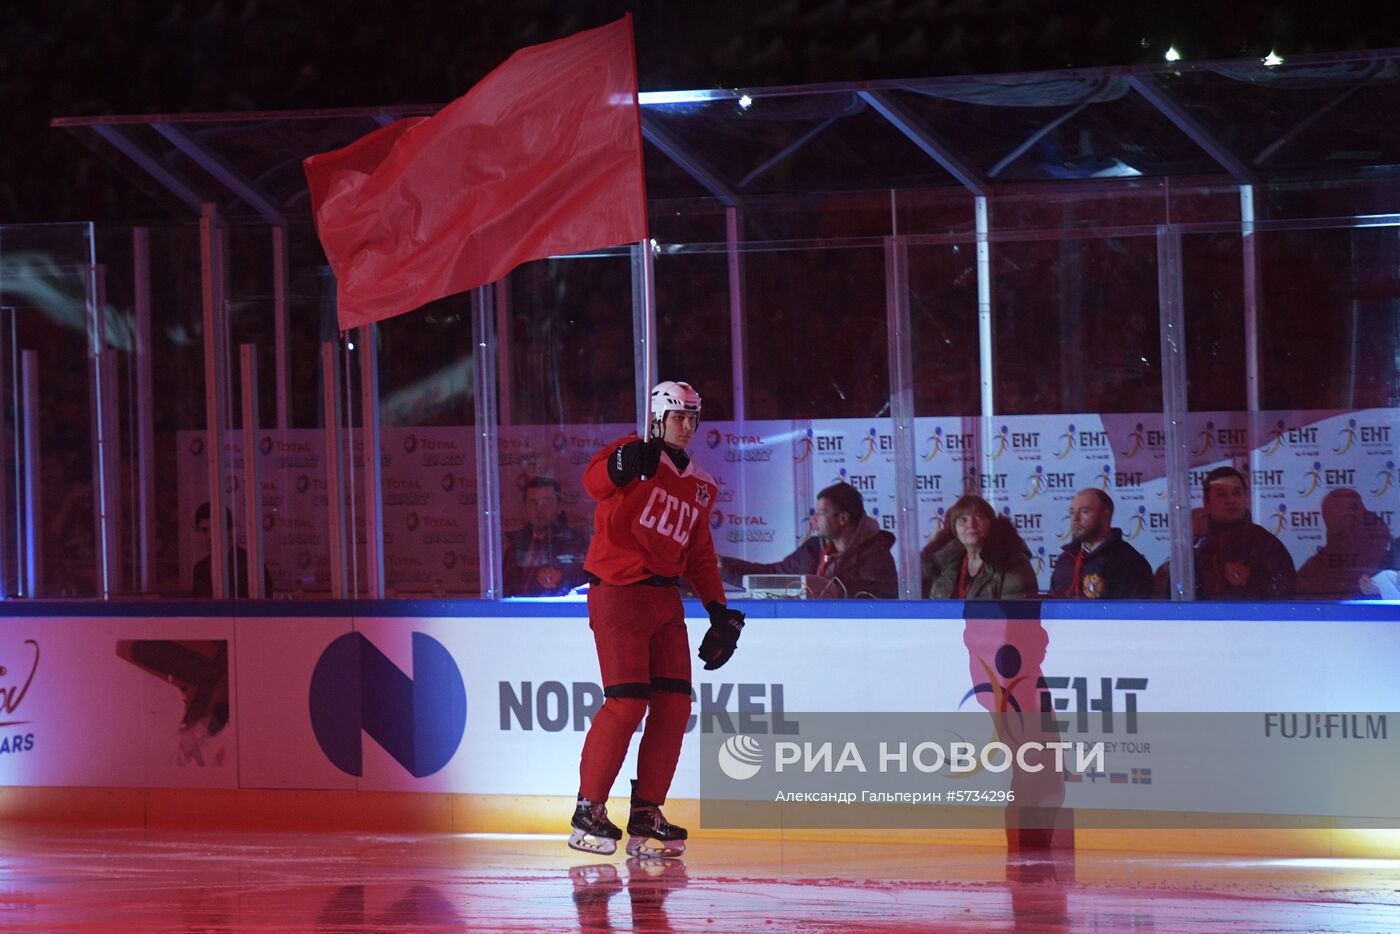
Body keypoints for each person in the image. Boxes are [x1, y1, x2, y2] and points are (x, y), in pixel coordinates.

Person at [569, 380, 745, 859]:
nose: (686, 426)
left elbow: (700, 555)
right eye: (677, 417)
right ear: (656, 419)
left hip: (665, 602)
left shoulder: (702, 485)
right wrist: (621, 465)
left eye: (693, 417)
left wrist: (718, 610)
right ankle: (589, 809)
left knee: (673, 706)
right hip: (619, 594)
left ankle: (646, 813)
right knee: (626, 704)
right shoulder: (632, 454)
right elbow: (593, 482)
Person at [718, 482, 898, 598]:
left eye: (820, 513)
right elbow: (774, 575)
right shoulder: (814, 549)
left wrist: (829, 590)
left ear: (842, 519)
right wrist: (722, 567)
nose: (813, 520)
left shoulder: (876, 556)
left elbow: (879, 600)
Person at [1193, 466, 1296, 599]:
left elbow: (1285, 595)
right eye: (1222, 494)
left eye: (1237, 493)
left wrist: (1254, 577)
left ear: (1245, 499)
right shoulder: (1198, 549)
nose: (1231, 500)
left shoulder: (1266, 545)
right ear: (1206, 503)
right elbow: (1178, 594)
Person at [926, 495, 1038, 599]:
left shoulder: (1012, 563)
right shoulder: (944, 564)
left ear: (991, 524)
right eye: (963, 519)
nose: (971, 525)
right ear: (955, 529)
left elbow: (1018, 615)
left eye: (979, 517)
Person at [1048, 489, 1153, 598]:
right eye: (1072, 512)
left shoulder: (1130, 563)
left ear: (1105, 516)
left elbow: (1136, 612)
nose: (1075, 519)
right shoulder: (1065, 559)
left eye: (1084, 512)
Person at [502, 476, 588, 596]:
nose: (539, 509)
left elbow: (584, 585)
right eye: (533, 502)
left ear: (559, 506)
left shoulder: (574, 543)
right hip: (519, 611)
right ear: (525, 507)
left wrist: (562, 579)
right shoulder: (516, 543)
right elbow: (504, 587)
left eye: (547, 502)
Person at [191, 502, 273, 598]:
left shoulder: (252, 565)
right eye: (204, 530)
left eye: (215, 529)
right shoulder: (201, 569)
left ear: (229, 530)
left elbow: (264, 607)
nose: (209, 536)